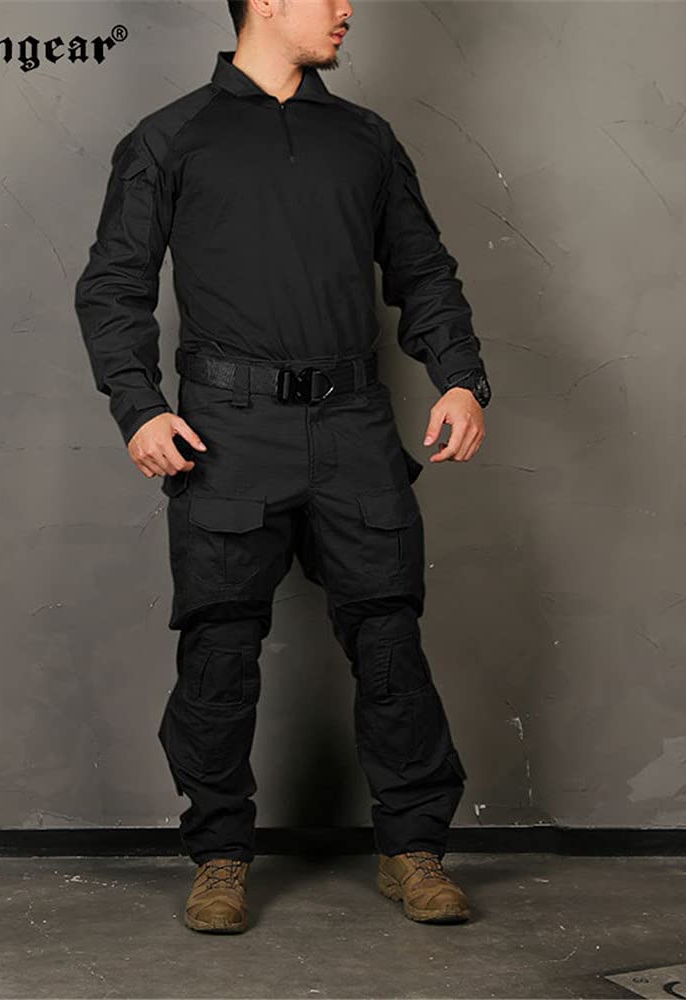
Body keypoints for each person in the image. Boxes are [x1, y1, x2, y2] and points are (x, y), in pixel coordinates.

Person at [74, 0, 491, 935]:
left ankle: (413, 851)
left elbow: (424, 272)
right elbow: (114, 285)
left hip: (354, 425)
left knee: (389, 639)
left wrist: (461, 379)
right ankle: (219, 858)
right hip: (227, 431)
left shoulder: (365, 140)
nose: (346, 10)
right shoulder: (171, 138)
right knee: (219, 650)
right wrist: (139, 407)